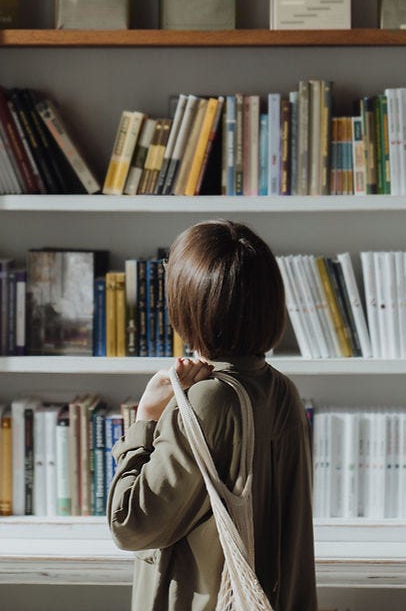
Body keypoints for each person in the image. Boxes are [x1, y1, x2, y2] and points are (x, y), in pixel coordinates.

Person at [107, 220, 317, 610]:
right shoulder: (281, 389)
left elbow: (131, 526)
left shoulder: (206, 401)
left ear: (188, 303)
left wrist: (145, 418)